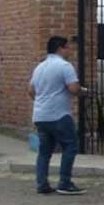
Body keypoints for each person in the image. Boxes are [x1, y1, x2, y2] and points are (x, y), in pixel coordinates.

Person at [28, 36, 85, 195]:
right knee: (70, 146)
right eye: (68, 47)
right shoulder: (65, 66)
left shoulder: (39, 67)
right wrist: (83, 92)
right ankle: (64, 183)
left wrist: (43, 101)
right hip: (59, 114)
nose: (70, 50)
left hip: (40, 115)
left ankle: (42, 184)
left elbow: (31, 91)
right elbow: (73, 89)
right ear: (60, 48)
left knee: (44, 151)